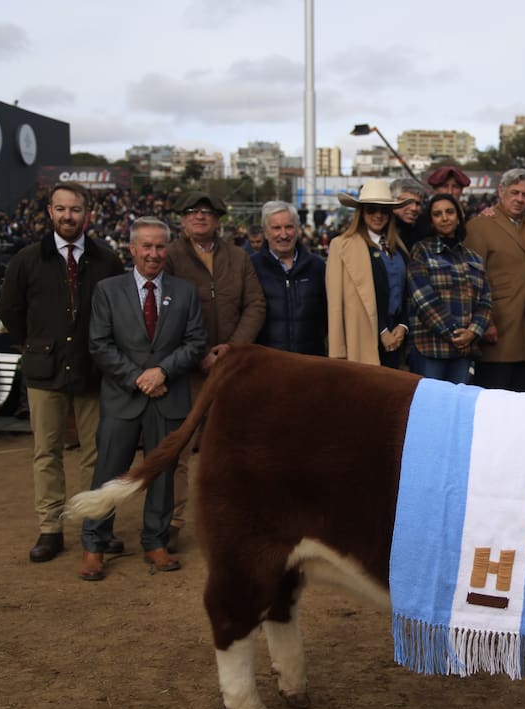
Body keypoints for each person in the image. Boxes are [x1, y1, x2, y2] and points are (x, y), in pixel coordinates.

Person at [0, 182, 124, 563]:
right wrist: (35, 346)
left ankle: (94, 526)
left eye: (75, 209)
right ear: (49, 212)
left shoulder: (107, 259)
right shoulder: (26, 259)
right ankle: (50, 528)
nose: (67, 216)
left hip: (92, 368)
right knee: (46, 452)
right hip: (44, 369)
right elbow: (10, 311)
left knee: (96, 454)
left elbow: (119, 313)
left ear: (87, 213)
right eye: (60, 209)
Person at [80, 217, 206, 581]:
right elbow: (99, 344)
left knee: (163, 474)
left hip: (168, 396)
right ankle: (94, 544)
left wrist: (162, 372)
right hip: (122, 397)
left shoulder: (184, 291)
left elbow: (196, 340)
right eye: (146, 246)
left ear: (168, 249)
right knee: (108, 473)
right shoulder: (108, 290)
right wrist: (139, 378)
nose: (153, 254)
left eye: (160, 246)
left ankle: (156, 541)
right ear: (131, 248)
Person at [165, 190, 266, 551]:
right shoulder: (170, 256)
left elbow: (254, 304)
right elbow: (164, 309)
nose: (199, 217)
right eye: (192, 212)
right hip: (184, 369)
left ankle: (231, 521)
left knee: (231, 449)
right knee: (179, 448)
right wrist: (193, 353)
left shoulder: (238, 257)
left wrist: (231, 349)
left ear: (218, 218)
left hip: (230, 369)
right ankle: (172, 521)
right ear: (182, 219)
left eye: (207, 212)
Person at [463, 168, 525, 391]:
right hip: (496, 330)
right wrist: (484, 322)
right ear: (501, 191)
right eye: (514, 192)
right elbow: (472, 280)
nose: (519, 199)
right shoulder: (479, 226)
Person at [406, 193, 491, 383]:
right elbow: (423, 300)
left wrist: (472, 333)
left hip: (465, 351)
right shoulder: (421, 251)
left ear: (459, 217)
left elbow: (485, 302)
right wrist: (455, 334)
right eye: (437, 214)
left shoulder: (474, 258)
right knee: (431, 408)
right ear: (431, 221)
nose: (444, 218)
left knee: (459, 408)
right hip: (431, 348)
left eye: (450, 212)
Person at [326, 178, 412, 367]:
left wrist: (403, 326)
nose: (378, 215)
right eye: (371, 209)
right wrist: (382, 331)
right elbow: (335, 305)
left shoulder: (399, 247)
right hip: (362, 336)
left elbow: (407, 293)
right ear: (361, 213)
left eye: (384, 210)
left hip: (398, 339)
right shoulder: (341, 246)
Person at [250, 201, 327, 355]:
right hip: (266, 363)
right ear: (265, 232)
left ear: (298, 230)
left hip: (310, 363)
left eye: (289, 227)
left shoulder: (317, 267)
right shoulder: (251, 267)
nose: (284, 235)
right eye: (276, 228)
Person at [389, 177, 427, 247]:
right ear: (392, 200)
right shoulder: (379, 232)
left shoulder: (424, 234)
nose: (414, 208)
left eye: (418, 203)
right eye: (407, 202)